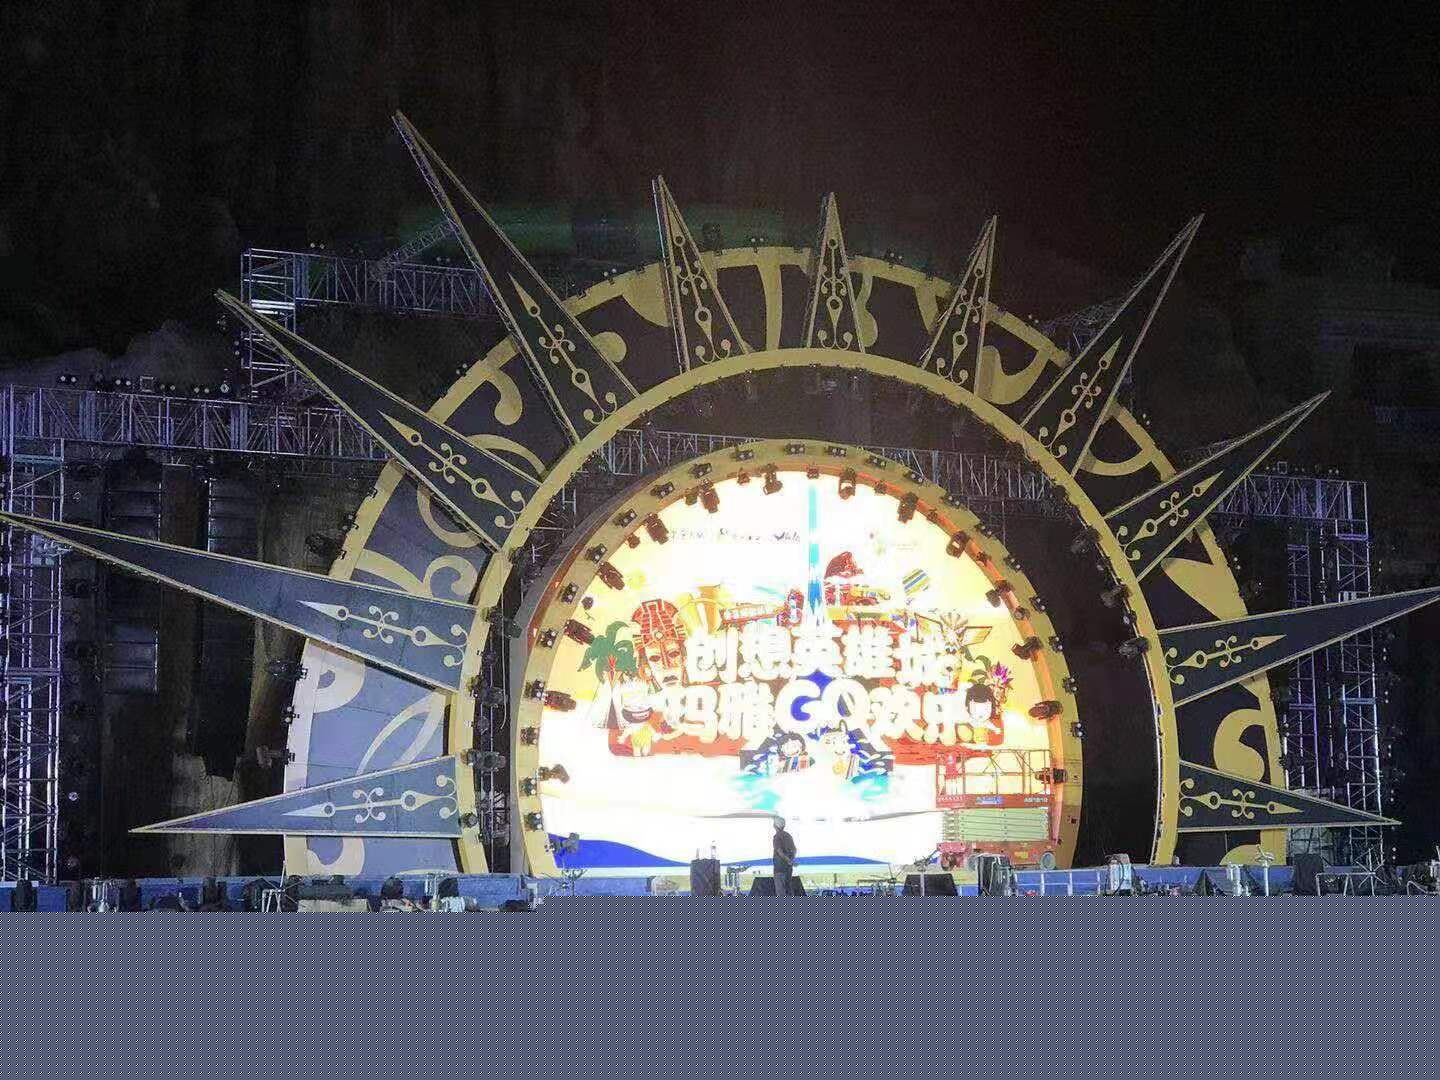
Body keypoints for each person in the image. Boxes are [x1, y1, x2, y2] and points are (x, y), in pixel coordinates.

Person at [772, 817, 798, 897]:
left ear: (775, 826)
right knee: (788, 889)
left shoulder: (776, 837)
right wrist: (791, 860)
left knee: (781, 891)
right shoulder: (788, 835)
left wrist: (788, 860)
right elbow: (794, 850)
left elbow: (780, 852)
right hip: (788, 868)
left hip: (780, 868)